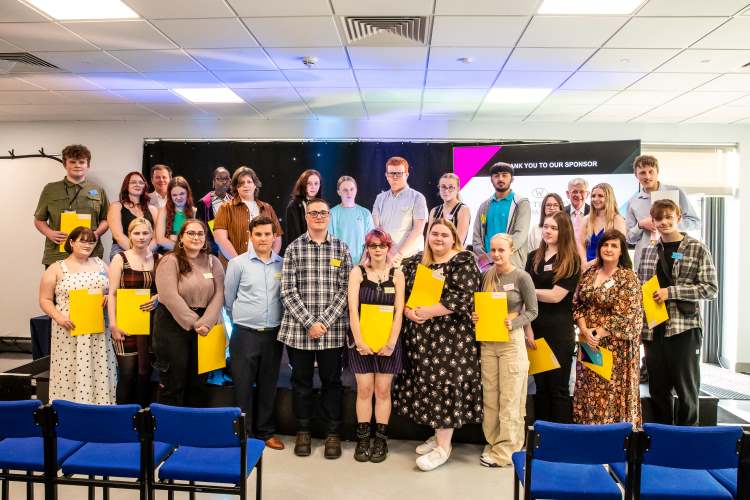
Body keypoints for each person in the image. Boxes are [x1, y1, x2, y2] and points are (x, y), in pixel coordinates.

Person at [394, 219, 482, 472]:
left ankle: (444, 447)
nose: (439, 238)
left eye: (444, 234)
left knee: (445, 386)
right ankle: (437, 436)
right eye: (434, 233)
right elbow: (403, 295)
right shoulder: (415, 262)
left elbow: (463, 297)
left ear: (453, 237)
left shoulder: (463, 261)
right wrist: (410, 312)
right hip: (421, 338)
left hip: (451, 340)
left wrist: (428, 312)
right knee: (428, 385)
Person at [278, 198, 352, 459]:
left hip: (332, 332)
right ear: (307, 217)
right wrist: (311, 323)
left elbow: (346, 290)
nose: (319, 216)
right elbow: (287, 291)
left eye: (323, 213)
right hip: (300, 332)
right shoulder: (294, 249)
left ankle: (333, 432)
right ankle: (303, 431)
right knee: (301, 382)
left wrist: (325, 322)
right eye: (314, 213)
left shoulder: (341, 249)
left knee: (332, 382)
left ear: (329, 217)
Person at [637, 200, 717, 426]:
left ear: (678, 217)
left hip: (684, 328)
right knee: (658, 390)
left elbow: (710, 289)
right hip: (654, 330)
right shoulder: (649, 252)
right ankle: (662, 440)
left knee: (686, 390)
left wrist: (670, 292)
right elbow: (642, 289)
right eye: (659, 219)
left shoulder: (697, 248)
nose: (664, 222)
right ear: (652, 222)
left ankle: (687, 441)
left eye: (668, 217)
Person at [473, 233, 537, 468]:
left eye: (501, 250)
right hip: (489, 342)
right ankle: (492, 443)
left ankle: (506, 450)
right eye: (493, 250)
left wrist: (515, 322)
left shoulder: (522, 277)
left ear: (511, 250)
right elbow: (481, 304)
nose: (497, 255)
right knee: (490, 396)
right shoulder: (487, 275)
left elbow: (532, 311)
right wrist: (476, 315)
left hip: (511, 342)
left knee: (510, 398)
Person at [225, 216, 285, 450]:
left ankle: (265, 432)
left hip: (273, 334)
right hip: (245, 333)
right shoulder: (238, 264)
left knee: (268, 384)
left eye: (267, 234)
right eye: (258, 234)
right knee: (242, 385)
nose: (263, 239)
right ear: (251, 236)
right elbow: (229, 298)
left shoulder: (282, 264)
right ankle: (242, 433)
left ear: (274, 237)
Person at [572, 230, 643, 426]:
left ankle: (611, 443)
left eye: (614, 246)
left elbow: (629, 314)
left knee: (610, 393)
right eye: (605, 245)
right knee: (589, 390)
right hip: (589, 343)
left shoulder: (628, 278)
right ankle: (588, 439)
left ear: (622, 251)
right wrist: (586, 331)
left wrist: (599, 332)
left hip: (615, 348)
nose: (608, 249)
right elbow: (578, 304)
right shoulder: (589, 273)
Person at [38, 226, 116, 404]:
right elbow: (45, 299)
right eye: (83, 240)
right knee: (70, 368)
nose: (88, 245)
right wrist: (58, 317)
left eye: (91, 241)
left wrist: (108, 296)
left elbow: (115, 289)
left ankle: (100, 408)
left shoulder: (101, 264)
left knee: (99, 368)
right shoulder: (57, 268)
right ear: (71, 242)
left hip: (98, 329)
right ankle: (68, 410)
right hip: (68, 328)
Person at [346, 228, 405, 463]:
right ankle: (362, 439)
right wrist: (359, 341)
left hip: (389, 344)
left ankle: (380, 440)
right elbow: (352, 309)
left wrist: (391, 342)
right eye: (373, 245)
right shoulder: (357, 272)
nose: (377, 250)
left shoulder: (397, 275)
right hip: (362, 343)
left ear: (388, 247)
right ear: (367, 248)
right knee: (364, 390)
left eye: (381, 245)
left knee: (382, 391)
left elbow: (399, 311)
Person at [153, 220, 224, 406]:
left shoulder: (213, 261)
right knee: (173, 382)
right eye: (191, 233)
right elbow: (169, 296)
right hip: (173, 326)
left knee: (198, 383)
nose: (196, 237)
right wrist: (195, 323)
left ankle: (193, 431)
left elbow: (219, 294)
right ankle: (168, 433)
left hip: (205, 327)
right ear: (181, 238)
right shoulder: (170, 260)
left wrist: (206, 322)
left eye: (200, 233)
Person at [525, 211, 581, 423]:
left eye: (553, 228)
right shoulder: (533, 257)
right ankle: (541, 440)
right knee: (540, 387)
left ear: (563, 231)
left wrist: (529, 291)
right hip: (536, 329)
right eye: (545, 226)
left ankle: (561, 442)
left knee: (557, 388)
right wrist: (527, 326)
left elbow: (557, 296)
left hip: (559, 332)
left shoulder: (571, 260)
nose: (547, 231)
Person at [107, 218, 159, 406]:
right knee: (128, 376)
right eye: (136, 233)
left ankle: (144, 419)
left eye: (145, 233)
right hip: (125, 325)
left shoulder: (158, 259)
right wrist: (113, 325)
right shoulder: (120, 258)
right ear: (129, 235)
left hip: (150, 325)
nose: (141, 237)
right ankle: (122, 421)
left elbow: (166, 289)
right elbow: (111, 294)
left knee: (146, 376)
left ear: (151, 235)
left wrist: (158, 297)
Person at [34, 144, 109, 267]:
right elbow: (39, 219)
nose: (77, 165)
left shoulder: (98, 190)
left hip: (90, 253)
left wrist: (97, 233)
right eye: (72, 162)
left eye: (81, 162)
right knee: (54, 286)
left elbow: (106, 219)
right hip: (57, 253)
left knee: (91, 287)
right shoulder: (50, 189)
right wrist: (49, 233)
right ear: (65, 164)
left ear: (88, 165)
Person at [625, 154, 700, 269]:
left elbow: (695, 222)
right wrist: (640, 225)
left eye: (651, 171)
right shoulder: (633, 202)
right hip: (646, 260)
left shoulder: (676, 192)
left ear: (657, 172)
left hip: (675, 254)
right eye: (642, 173)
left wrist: (670, 223)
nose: (647, 176)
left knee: (674, 285)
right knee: (649, 287)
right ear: (636, 175)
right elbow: (629, 238)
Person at [214, 166, 282, 267]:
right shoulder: (225, 208)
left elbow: (277, 237)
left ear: (255, 185)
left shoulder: (267, 208)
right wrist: (240, 263)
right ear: (236, 187)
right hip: (235, 268)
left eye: (249, 182)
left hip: (264, 267)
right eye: (241, 183)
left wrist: (268, 260)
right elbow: (220, 239)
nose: (246, 185)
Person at [472, 162, 531, 271]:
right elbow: (476, 237)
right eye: (496, 176)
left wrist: (492, 256)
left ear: (512, 179)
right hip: (487, 267)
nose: (500, 179)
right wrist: (484, 257)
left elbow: (520, 235)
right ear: (491, 179)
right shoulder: (484, 206)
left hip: (511, 265)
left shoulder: (521, 203)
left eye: (504, 175)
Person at [372, 156, 428, 265]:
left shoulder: (418, 197)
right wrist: (387, 253)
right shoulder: (380, 198)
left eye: (399, 173)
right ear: (386, 175)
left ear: (406, 175)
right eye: (392, 173)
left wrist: (399, 254)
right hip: (386, 258)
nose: (395, 177)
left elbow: (418, 230)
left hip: (412, 258)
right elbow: (376, 229)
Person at [107, 171, 158, 259]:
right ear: (126, 186)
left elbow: (157, 236)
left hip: (148, 249)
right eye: (133, 182)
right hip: (122, 248)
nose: (137, 185)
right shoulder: (116, 206)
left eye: (141, 182)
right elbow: (118, 236)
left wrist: (147, 251)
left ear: (144, 186)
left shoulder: (153, 209)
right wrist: (137, 253)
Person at [577, 183, 626, 270]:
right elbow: (580, 244)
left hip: (610, 268)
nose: (596, 199)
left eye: (600, 196)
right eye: (593, 196)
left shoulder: (617, 220)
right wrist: (584, 263)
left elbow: (619, 247)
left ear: (609, 198)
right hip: (587, 269)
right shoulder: (586, 219)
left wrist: (594, 263)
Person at [328, 176, 374, 264]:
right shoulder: (332, 214)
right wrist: (337, 266)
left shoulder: (365, 213)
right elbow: (328, 245)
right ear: (339, 192)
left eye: (352, 189)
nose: (349, 192)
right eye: (345, 190)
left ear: (356, 190)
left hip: (361, 265)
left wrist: (362, 264)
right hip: (339, 267)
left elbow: (371, 242)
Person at [283, 169, 323, 252]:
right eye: (309, 183)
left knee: (338, 264)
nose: (313, 187)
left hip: (322, 251)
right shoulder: (293, 206)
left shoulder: (323, 205)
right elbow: (293, 236)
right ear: (303, 185)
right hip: (303, 253)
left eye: (316, 183)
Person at [196, 166, 233, 255]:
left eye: (226, 179)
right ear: (213, 182)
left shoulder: (235, 202)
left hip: (233, 248)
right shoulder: (204, 203)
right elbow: (200, 229)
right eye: (219, 179)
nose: (223, 182)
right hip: (212, 251)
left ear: (230, 182)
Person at [427, 173, 470, 245]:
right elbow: (428, 240)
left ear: (458, 189)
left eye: (451, 187)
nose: (446, 191)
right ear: (439, 188)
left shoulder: (463, 209)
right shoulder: (434, 211)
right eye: (443, 187)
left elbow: (459, 242)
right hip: (435, 254)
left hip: (454, 254)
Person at [155, 176, 196, 251]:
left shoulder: (194, 211)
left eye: (182, 194)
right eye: (174, 195)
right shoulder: (164, 211)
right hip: (169, 253)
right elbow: (160, 239)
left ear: (187, 193)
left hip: (189, 254)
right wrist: (183, 249)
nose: (179, 197)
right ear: (170, 196)